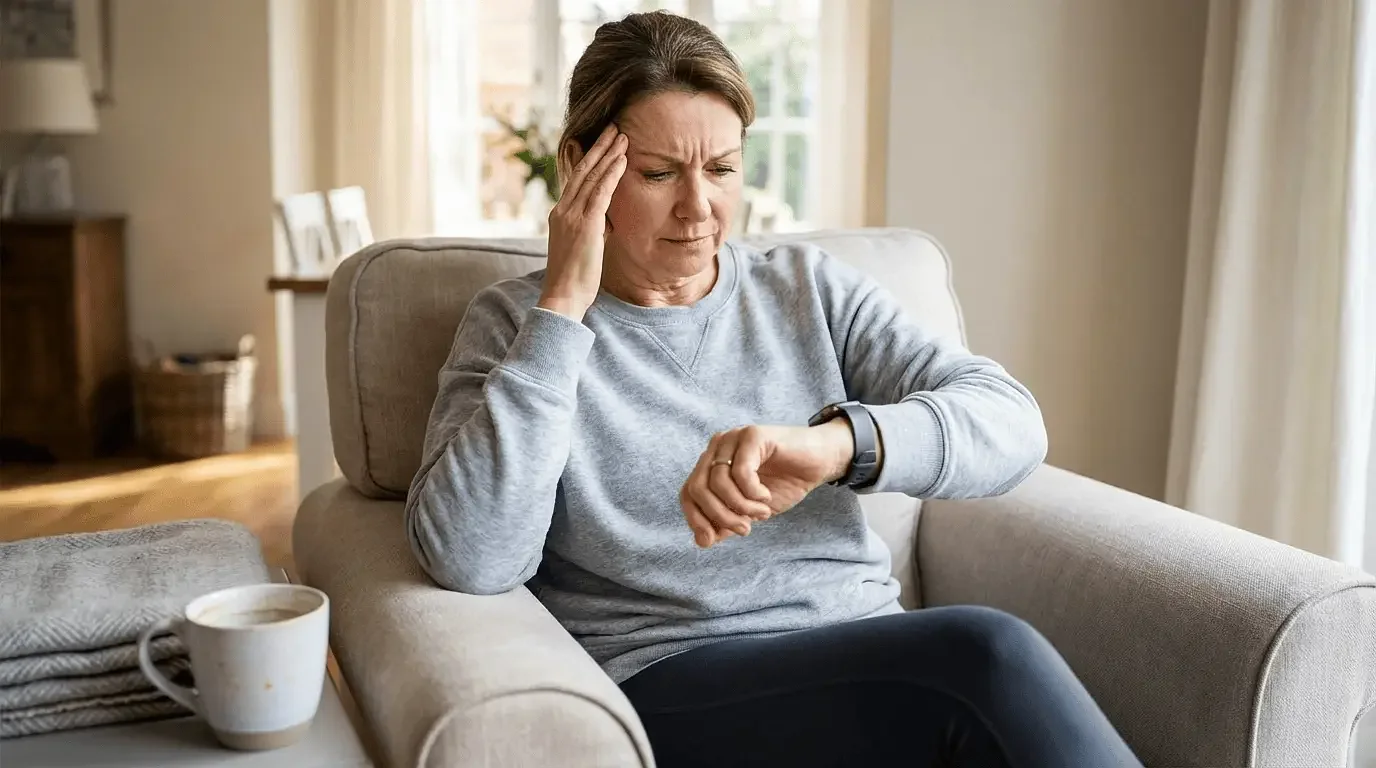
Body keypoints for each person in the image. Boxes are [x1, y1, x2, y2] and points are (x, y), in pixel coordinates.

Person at [405, 10, 1141, 768]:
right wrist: (562, 308)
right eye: (659, 174)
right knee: (986, 656)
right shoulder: (517, 326)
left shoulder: (805, 290)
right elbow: (471, 557)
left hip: (866, 658)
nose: (700, 208)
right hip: (671, 676)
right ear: (581, 165)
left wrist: (834, 445)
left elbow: (1012, 424)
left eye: (722, 169)